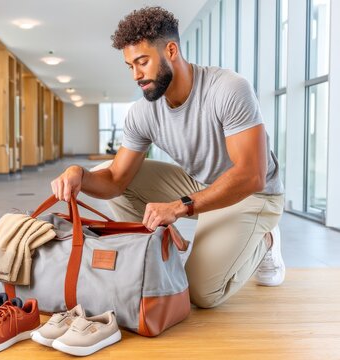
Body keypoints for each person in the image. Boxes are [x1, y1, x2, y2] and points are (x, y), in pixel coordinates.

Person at [51, 6, 285, 308]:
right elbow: (116, 181)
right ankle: (153, 255)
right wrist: (79, 175)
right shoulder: (143, 112)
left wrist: (180, 207)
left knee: (202, 294)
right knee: (103, 167)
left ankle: (265, 240)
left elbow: (252, 174)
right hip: (201, 183)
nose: (136, 74)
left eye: (142, 62)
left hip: (253, 195)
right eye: (129, 66)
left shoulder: (228, 88)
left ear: (171, 50)